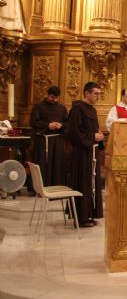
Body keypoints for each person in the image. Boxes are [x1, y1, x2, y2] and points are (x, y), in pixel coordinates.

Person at [66, 82, 104, 227]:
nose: (98, 96)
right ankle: (81, 217)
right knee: (83, 183)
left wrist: (98, 135)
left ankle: (89, 214)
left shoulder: (92, 110)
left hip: (91, 152)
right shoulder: (77, 109)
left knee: (92, 184)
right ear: (86, 93)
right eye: (95, 94)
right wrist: (92, 137)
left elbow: (92, 130)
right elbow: (74, 132)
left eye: (99, 94)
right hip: (82, 154)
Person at [30, 86, 68, 188]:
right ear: (47, 94)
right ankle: (39, 187)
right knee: (42, 164)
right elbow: (33, 122)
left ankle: (55, 186)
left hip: (57, 141)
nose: (54, 100)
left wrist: (61, 125)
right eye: (52, 97)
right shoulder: (38, 106)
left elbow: (68, 123)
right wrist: (48, 125)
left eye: (56, 98)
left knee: (56, 164)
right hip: (43, 140)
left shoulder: (62, 108)